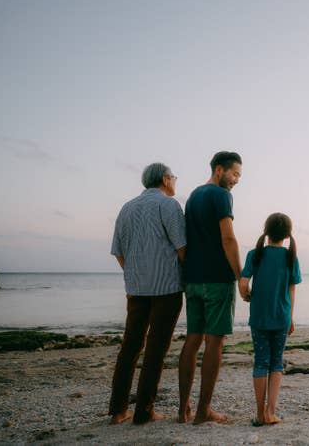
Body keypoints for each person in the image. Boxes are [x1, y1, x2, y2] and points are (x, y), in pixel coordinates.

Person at [109, 163, 186, 425]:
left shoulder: (126, 208)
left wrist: (135, 274)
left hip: (136, 289)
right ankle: (144, 411)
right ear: (165, 179)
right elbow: (182, 248)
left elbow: (118, 252)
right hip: (167, 289)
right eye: (174, 177)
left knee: (129, 347)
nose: (175, 181)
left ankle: (118, 411)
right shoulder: (168, 205)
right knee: (155, 350)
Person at [178, 151, 243, 425]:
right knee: (214, 342)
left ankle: (183, 411)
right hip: (217, 279)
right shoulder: (221, 196)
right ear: (219, 170)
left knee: (192, 340)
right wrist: (241, 276)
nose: (237, 180)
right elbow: (228, 238)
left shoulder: (193, 196)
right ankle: (203, 411)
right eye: (235, 174)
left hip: (192, 279)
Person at [239, 212, 302, 426]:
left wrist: (246, 295)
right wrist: (290, 318)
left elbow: (243, 282)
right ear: (287, 235)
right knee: (276, 363)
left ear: (266, 231)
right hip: (281, 318)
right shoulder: (290, 257)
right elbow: (291, 290)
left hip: (259, 318)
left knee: (260, 361)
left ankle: (259, 414)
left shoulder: (254, 254)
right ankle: (271, 413)